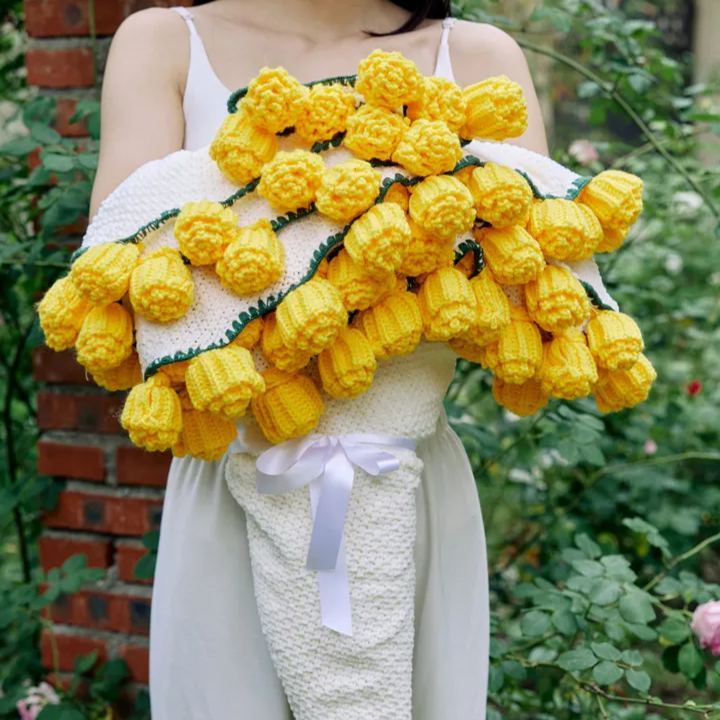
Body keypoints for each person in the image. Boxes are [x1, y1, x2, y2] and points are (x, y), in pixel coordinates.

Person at [87, 2, 550, 718]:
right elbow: (122, 282)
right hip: (235, 478)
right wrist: (392, 226)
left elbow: (530, 283)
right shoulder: (166, 43)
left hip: (406, 480)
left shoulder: (477, 56)